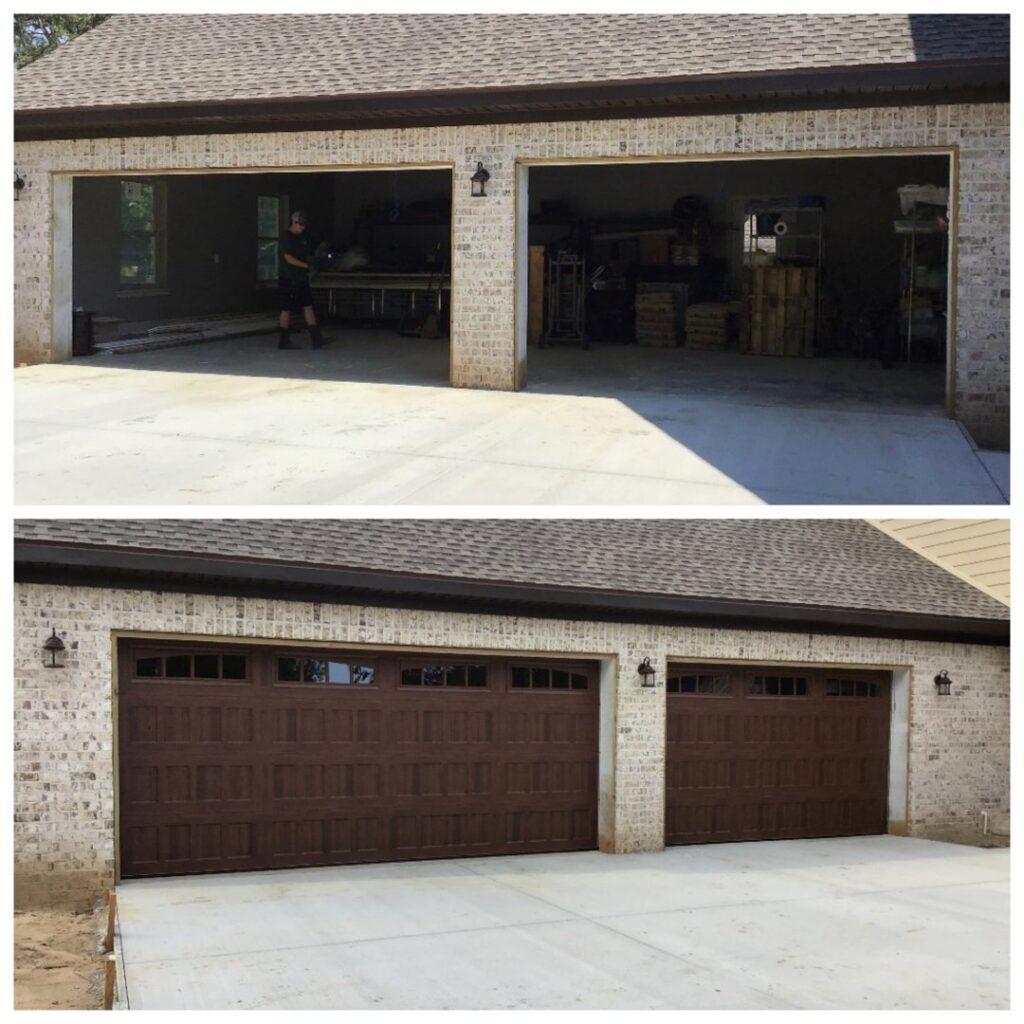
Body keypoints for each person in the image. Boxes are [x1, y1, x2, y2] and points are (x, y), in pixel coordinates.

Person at [278, 210, 328, 349]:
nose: (302, 227)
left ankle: (316, 338)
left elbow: (310, 251)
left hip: (301, 278)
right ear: (293, 222)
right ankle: (284, 340)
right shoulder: (286, 237)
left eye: (304, 225)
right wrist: (307, 265)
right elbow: (288, 258)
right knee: (286, 308)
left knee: (308, 305)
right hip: (288, 278)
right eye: (300, 225)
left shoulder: (303, 237)